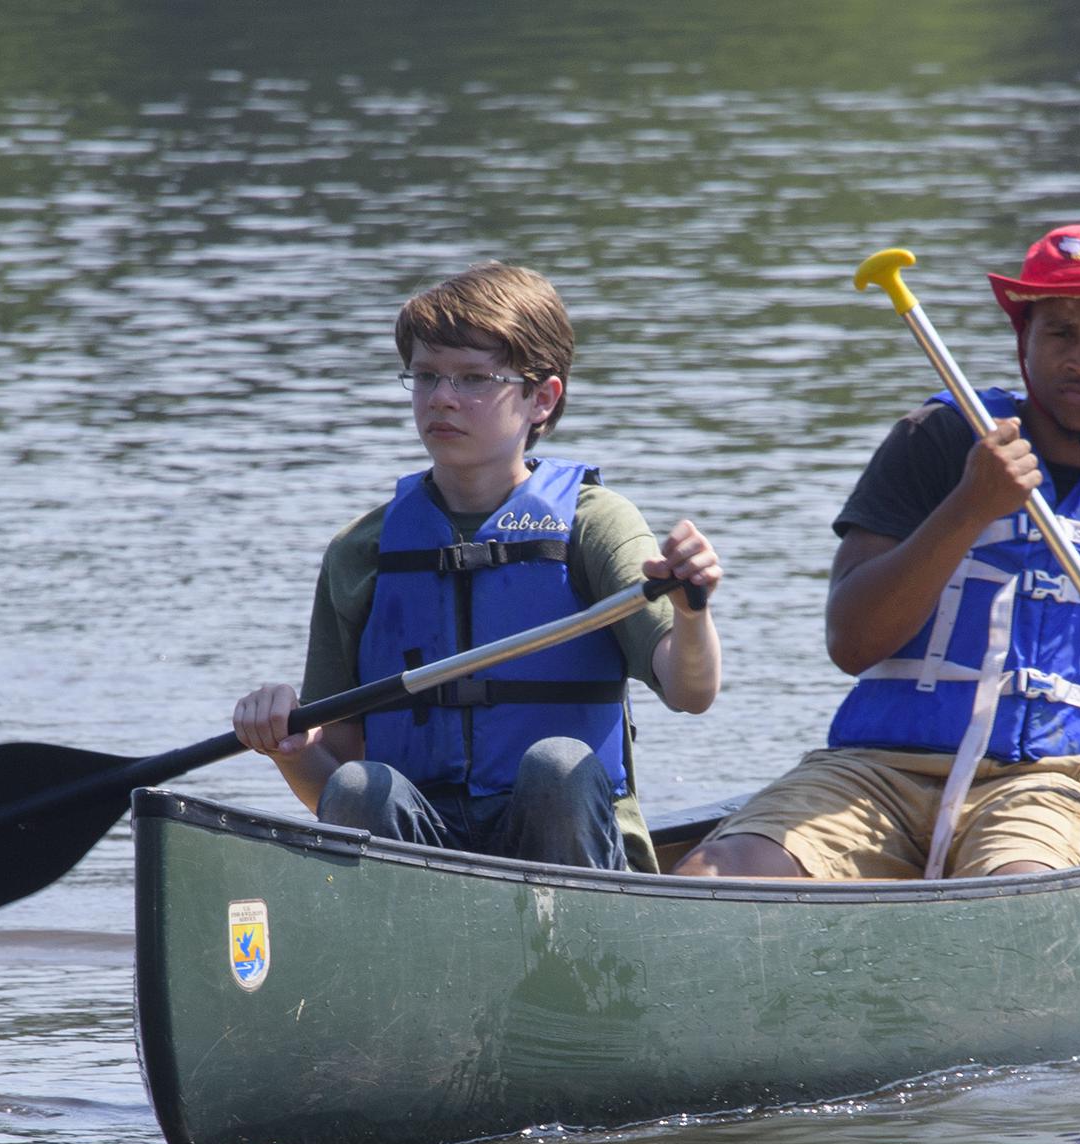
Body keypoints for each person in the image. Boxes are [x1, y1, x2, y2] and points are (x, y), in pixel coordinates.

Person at [675, 224, 1080, 880]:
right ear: (1023, 343)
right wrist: (969, 506)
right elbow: (850, 642)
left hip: (1062, 785)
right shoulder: (938, 443)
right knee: (717, 872)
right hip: (878, 768)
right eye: (1059, 334)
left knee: (1016, 888)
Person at [234, 261, 722, 873]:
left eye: (473, 379)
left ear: (541, 398)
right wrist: (289, 747)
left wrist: (690, 612)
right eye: (426, 376)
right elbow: (331, 782)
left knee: (558, 767)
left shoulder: (595, 523)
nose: (441, 397)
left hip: (573, 847)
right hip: (425, 852)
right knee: (361, 786)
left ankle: (568, 941)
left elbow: (691, 690)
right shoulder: (362, 550)